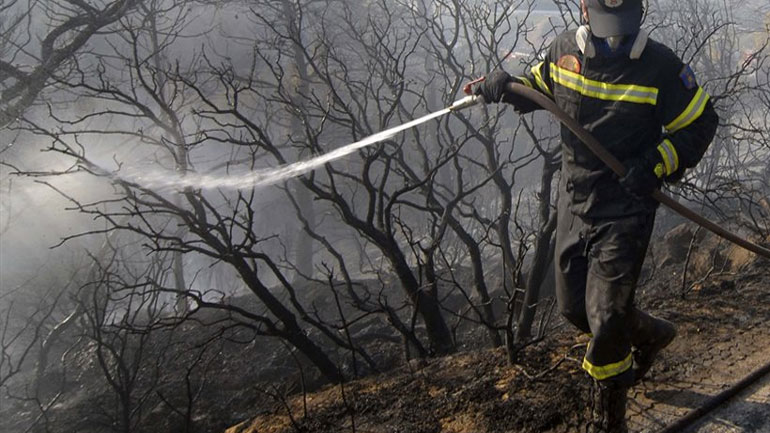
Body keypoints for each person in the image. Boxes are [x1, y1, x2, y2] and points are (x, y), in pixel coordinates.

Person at [475, 0, 718, 431]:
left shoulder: (661, 68)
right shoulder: (563, 51)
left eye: (623, 25)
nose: (615, 36)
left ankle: (609, 419)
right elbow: (540, 89)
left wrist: (657, 163)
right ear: (585, 9)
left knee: (605, 321)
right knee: (575, 311)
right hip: (576, 200)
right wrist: (503, 85)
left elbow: (700, 123)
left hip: (626, 208)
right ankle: (651, 334)